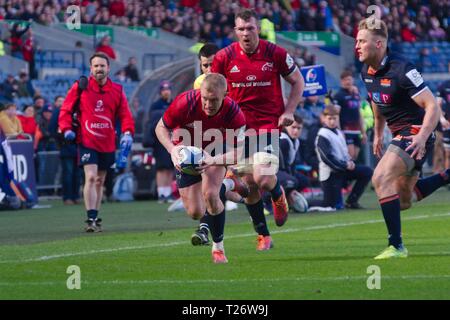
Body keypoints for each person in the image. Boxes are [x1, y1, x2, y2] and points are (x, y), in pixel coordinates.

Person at [211, 8, 305, 250]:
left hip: (267, 125)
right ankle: (264, 235)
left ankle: (277, 195)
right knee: (250, 186)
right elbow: (214, 91)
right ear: (235, 31)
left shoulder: (275, 53)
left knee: (262, 177)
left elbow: (298, 81)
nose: (245, 33)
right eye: (241, 29)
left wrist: (289, 111)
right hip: (237, 129)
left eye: (250, 28)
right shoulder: (223, 58)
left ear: (258, 29)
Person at [357, 18, 449, 260]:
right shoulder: (366, 70)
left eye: (362, 41)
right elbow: (376, 102)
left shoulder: (403, 69)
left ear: (378, 43)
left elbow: (432, 106)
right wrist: (377, 134)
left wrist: (422, 136)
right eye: (356, 40)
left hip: (415, 133)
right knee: (403, 201)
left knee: (380, 177)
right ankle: (446, 175)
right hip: (400, 134)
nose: (357, 45)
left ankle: (396, 246)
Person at [155, 73, 246, 264]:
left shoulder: (234, 113)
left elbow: (239, 153)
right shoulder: (185, 102)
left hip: (215, 152)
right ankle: (227, 185)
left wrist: (213, 160)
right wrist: (172, 150)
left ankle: (218, 249)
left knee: (211, 195)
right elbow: (160, 128)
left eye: (214, 100)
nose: (208, 104)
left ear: (225, 95)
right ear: (199, 93)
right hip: (186, 153)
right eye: (205, 98)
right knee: (195, 212)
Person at [58, 52, 135, 232]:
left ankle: (96, 216)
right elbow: (66, 109)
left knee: (100, 180)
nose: (99, 69)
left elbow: (125, 115)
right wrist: (66, 128)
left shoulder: (117, 90)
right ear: (91, 69)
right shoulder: (80, 87)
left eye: (102, 66)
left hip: (107, 142)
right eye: (96, 66)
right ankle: (90, 218)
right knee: (91, 177)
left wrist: (127, 132)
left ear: (108, 68)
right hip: (87, 140)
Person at [315, 104, 372, 209]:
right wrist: (345, 165)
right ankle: (301, 203)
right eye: (329, 118)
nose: (332, 121)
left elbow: (344, 152)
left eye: (335, 118)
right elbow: (326, 158)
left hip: (342, 170)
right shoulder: (323, 134)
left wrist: (350, 162)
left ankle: (351, 201)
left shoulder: (338, 132)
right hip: (331, 174)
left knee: (367, 171)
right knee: (329, 206)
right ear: (323, 119)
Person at [145, 80, 175, 203]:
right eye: (164, 90)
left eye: (168, 89)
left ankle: (167, 193)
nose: (166, 92)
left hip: (172, 139)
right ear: (160, 92)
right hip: (159, 141)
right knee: (161, 168)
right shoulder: (156, 105)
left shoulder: (173, 104)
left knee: (169, 168)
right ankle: (161, 194)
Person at [333, 70, 367, 161]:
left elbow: (359, 113)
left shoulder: (356, 94)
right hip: (346, 131)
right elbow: (336, 115)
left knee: (355, 157)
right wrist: (339, 132)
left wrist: (363, 132)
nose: (348, 82)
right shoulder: (338, 96)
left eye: (350, 79)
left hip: (357, 131)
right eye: (345, 80)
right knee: (349, 157)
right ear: (341, 81)